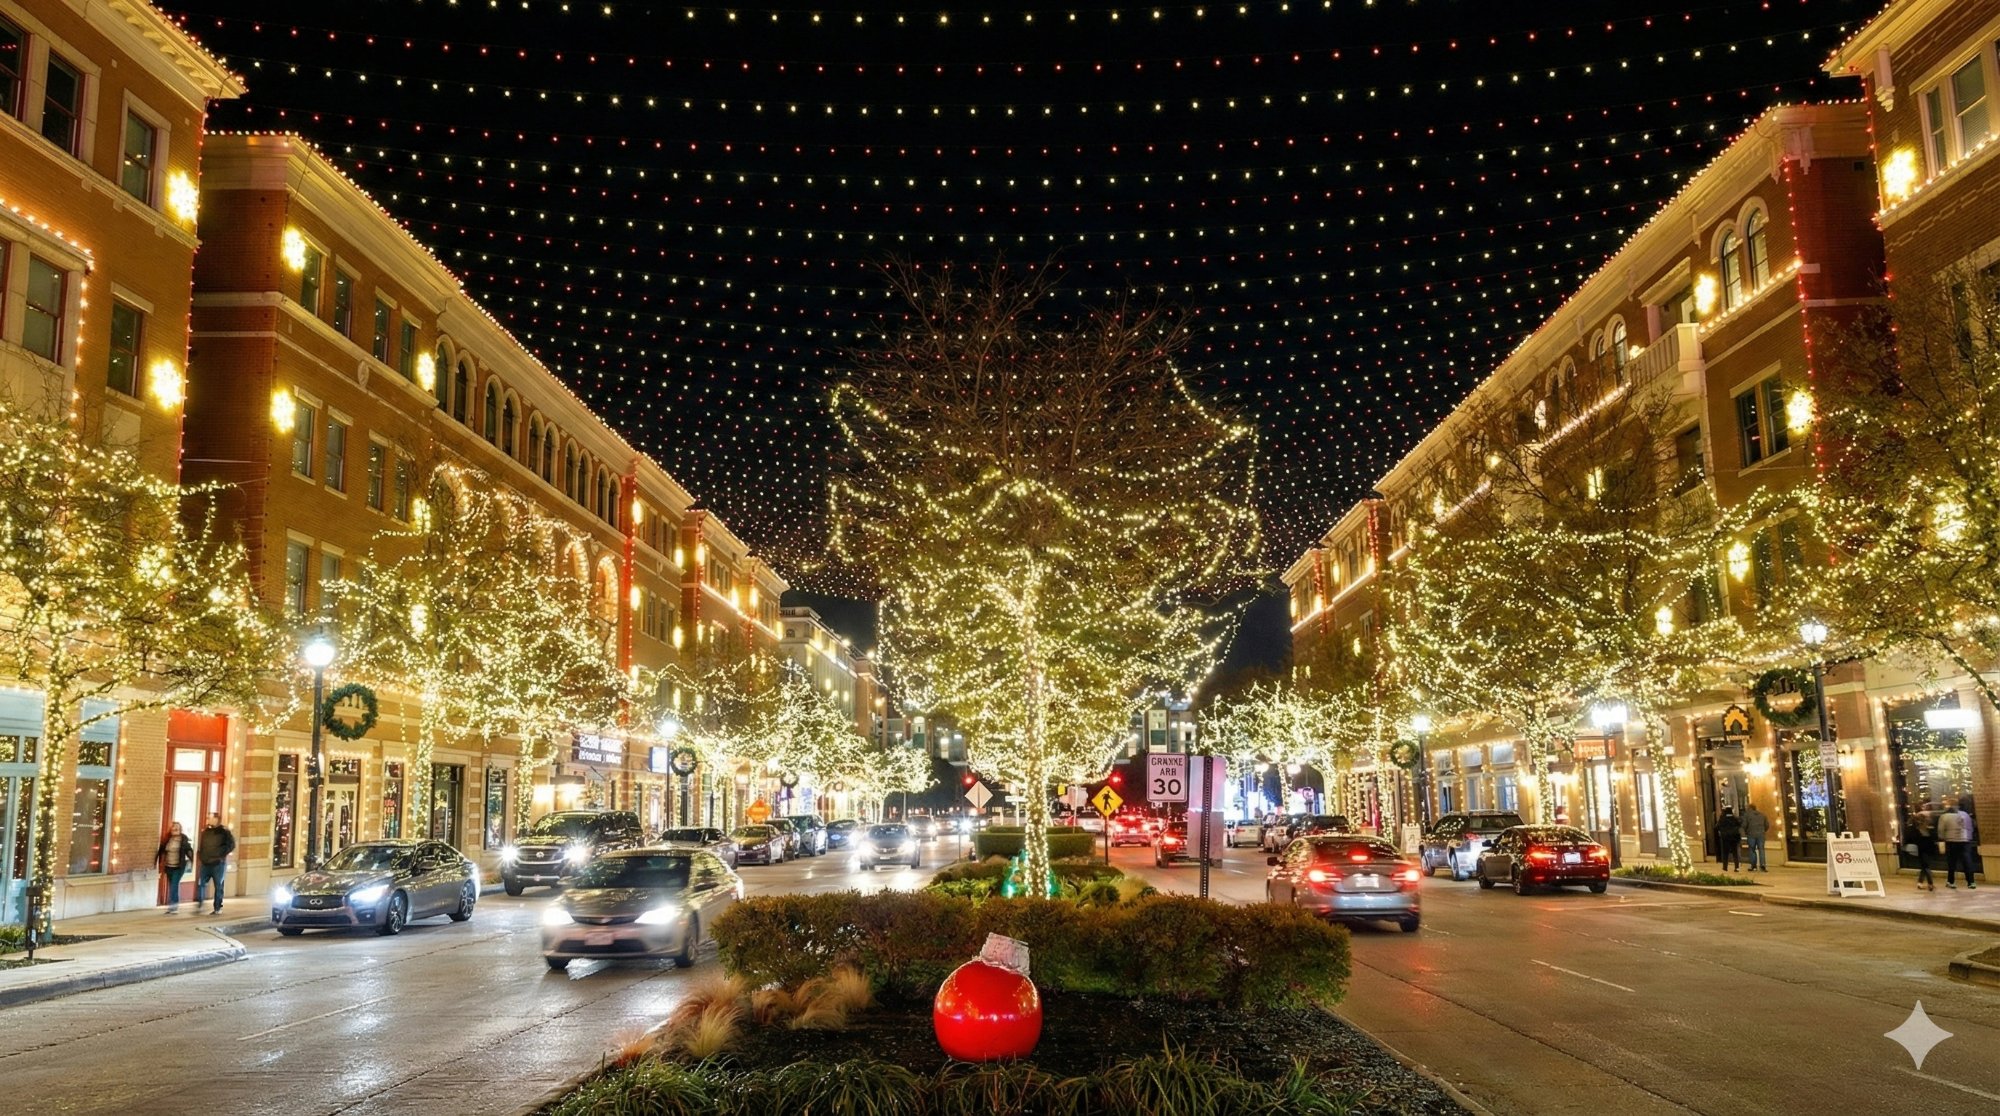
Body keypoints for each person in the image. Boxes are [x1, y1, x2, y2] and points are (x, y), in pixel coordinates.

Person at [195, 812, 236, 913]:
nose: (208, 819)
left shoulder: (224, 831)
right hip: (205, 863)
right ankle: (200, 904)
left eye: (210, 818)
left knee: (218, 886)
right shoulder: (206, 831)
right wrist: (201, 855)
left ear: (216, 819)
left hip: (218, 864)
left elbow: (231, 845)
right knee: (201, 883)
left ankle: (217, 907)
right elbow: (202, 845)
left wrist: (221, 853)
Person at [155, 822, 194, 914]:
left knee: (174, 885)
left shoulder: (183, 839)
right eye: (173, 828)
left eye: (177, 828)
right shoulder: (167, 839)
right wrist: (158, 861)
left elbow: (188, 850)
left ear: (180, 830)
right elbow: (162, 850)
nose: (174, 829)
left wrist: (192, 859)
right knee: (171, 885)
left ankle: (174, 906)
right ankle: (172, 906)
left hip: (178, 867)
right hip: (169, 866)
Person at [1938, 797, 1976, 890]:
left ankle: (1951, 881)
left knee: (1952, 862)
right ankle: (1971, 882)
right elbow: (1971, 826)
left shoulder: (1944, 816)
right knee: (1967, 861)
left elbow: (1940, 830)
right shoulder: (1965, 814)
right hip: (1965, 840)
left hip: (1951, 841)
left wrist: (1942, 838)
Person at [1906, 801, 1938, 891]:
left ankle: (1920, 883)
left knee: (1924, 866)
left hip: (1922, 849)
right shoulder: (1925, 829)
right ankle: (1930, 884)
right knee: (1926, 866)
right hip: (1924, 849)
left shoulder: (1917, 829)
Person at [1740, 802, 1770, 873]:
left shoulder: (1747, 815)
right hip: (1761, 835)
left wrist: (1744, 832)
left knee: (1752, 849)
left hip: (1751, 834)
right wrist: (1762, 831)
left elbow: (1744, 825)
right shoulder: (1763, 815)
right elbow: (1767, 825)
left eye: (1747, 808)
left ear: (1750, 808)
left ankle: (1753, 866)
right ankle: (1763, 865)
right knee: (1761, 850)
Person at [1714, 806, 1743, 872]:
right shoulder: (1735, 818)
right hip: (1734, 837)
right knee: (1735, 852)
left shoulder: (1722, 819)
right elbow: (1739, 825)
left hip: (1725, 837)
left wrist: (1722, 830)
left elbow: (1716, 827)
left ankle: (1725, 867)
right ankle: (1736, 867)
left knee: (1725, 853)